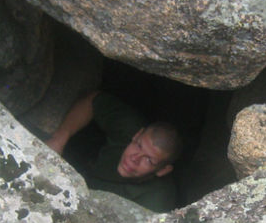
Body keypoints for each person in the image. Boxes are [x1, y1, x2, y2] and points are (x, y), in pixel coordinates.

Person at [45, 91, 182, 212]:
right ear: (137, 135)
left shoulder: (156, 202)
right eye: (139, 145)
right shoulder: (129, 128)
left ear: (163, 170)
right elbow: (93, 100)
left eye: (149, 160)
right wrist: (59, 139)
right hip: (85, 169)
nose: (134, 158)